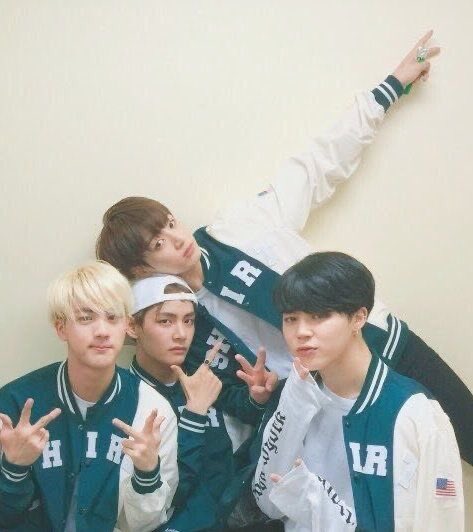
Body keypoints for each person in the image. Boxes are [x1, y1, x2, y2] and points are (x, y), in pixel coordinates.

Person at [96, 31, 473, 465]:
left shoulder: (237, 227)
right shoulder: (181, 330)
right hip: (332, 412)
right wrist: (258, 397)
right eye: (158, 243)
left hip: (384, 346)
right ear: (142, 270)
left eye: (169, 222)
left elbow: (316, 166)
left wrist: (389, 89)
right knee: (410, 486)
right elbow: (236, 402)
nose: (178, 238)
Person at [252, 251, 464, 532]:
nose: (301, 332)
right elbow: (268, 502)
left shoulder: (414, 413)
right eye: (291, 318)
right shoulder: (296, 394)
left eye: (319, 315)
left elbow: (441, 523)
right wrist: (292, 406)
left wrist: (316, 500)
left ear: (359, 317)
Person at [0, 261, 178, 532]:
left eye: (112, 317)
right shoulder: (15, 402)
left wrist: (147, 473)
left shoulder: (152, 411)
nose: (102, 331)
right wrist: (14, 469)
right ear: (61, 328)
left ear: (127, 325)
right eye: (86, 318)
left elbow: (144, 525)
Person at [127, 274, 278, 531]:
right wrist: (194, 414)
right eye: (165, 321)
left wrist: (258, 397)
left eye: (188, 321)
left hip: (236, 515)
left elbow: (243, 411)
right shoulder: (128, 398)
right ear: (132, 327)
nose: (181, 334)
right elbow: (158, 499)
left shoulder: (201, 374)